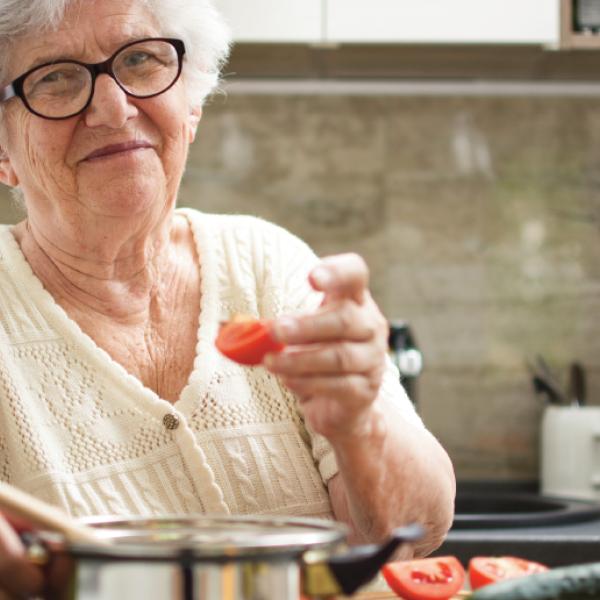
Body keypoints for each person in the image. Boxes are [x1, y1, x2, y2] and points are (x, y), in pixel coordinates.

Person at [0, 0, 456, 596]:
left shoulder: (270, 263)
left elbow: (414, 534)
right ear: (3, 154)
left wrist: (359, 425)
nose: (113, 109)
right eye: (54, 79)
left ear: (190, 109)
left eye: (140, 60)